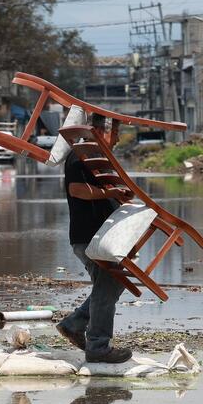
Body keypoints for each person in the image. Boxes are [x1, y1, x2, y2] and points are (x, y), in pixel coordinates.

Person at [56, 114, 135, 364]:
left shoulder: (96, 159)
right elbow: (77, 190)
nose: (118, 139)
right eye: (115, 132)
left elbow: (106, 192)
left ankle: (74, 325)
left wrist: (117, 194)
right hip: (90, 237)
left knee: (113, 283)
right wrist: (108, 193)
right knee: (109, 284)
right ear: (100, 132)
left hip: (100, 238)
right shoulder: (79, 156)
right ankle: (98, 346)